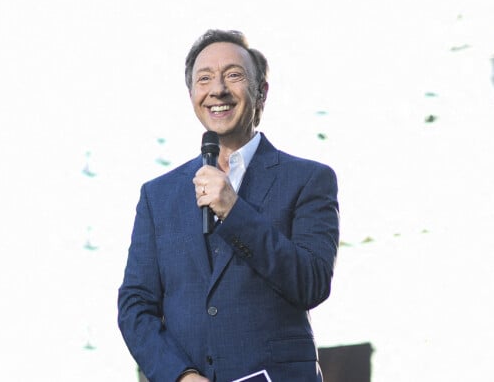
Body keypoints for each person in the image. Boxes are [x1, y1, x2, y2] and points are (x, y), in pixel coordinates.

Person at [118, 29, 339, 382]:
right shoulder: (157, 196)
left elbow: (311, 283)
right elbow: (135, 306)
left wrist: (235, 211)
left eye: (233, 75)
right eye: (204, 78)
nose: (217, 89)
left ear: (261, 92)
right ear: (192, 93)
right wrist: (181, 376)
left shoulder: (309, 180)